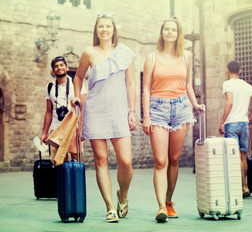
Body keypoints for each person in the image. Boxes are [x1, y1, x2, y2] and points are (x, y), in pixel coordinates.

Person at [70, 13, 136, 223]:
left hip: (119, 110)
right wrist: (75, 96)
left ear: (114, 29)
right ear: (96, 30)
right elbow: (78, 77)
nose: (104, 29)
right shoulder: (88, 52)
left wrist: (132, 110)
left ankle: (122, 196)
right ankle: (110, 207)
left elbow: (131, 84)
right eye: (101, 26)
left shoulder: (124, 53)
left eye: (108, 26)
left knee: (126, 161)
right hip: (95, 110)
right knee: (101, 160)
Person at [142, 16, 204, 223]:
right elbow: (145, 88)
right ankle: (160, 207)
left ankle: (169, 202)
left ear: (178, 34)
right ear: (161, 33)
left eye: (173, 30)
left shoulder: (186, 56)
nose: (169, 32)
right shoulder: (151, 57)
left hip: (182, 108)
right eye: (166, 29)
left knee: (174, 159)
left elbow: (187, 86)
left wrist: (195, 104)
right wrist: (146, 117)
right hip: (158, 109)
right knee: (161, 161)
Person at [218, 60, 252, 197]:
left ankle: (243, 187)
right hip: (244, 123)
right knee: (243, 156)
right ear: (240, 70)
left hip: (232, 123)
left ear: (227, 70)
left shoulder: (227, 84)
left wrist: (222, 122)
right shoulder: (246, 85)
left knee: (235, 156)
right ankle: (244, 185)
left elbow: (229, 102)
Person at [41, 56, 87, 162]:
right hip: (56, 128)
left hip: (73, 127)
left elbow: (83, 108)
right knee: (59, 161)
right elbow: (48, 111)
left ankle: (75, 179)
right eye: (56, 66)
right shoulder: (49, 87)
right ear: (53, 71)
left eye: (61, 65)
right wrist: (44, 133)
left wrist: (81, 129)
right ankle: (62, 179)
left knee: (76, 160)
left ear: (67, 68)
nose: (59, 68)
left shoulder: (77, 85)